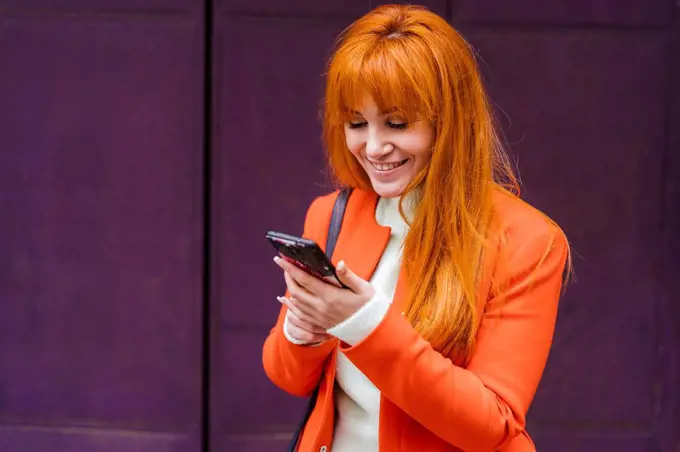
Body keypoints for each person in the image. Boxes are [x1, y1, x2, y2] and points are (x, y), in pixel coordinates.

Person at [262, 4, 570, 452]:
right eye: (356, 123)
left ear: (449, 119)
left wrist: (364, 324)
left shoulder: (527, 242)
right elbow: (288, 376)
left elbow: (491, 427)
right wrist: (303, 330)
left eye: (397, 123)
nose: (373, 147)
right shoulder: (331, 214)